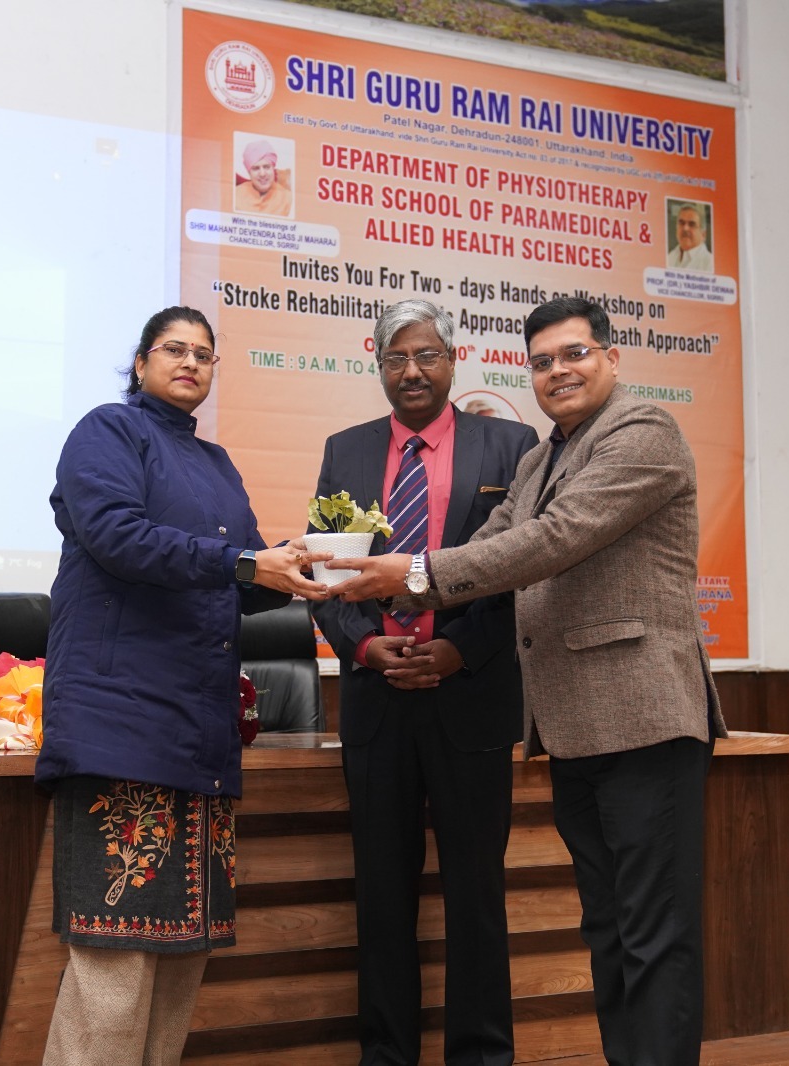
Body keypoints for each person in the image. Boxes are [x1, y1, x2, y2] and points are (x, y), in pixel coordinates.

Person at [321, 295, 726, 1066]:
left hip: (644, 718)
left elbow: (552, 540)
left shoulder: (643, 432)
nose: (557, 372)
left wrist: (411, 575)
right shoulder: (541, 461)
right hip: (573, 728)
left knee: (654, 933)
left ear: (612, 358)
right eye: (542, 362)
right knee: (608, 929)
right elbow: (493, 543)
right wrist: (371, 585)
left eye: (574, 354)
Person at [36, 306, 330, 1066]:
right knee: (116, 958)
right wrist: (245, 564)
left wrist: (300, 567)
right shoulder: (108, 430)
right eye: (175, 348)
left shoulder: (216, 463)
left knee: (181, 954)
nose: (192, 362)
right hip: (120, 726)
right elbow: (119, 538)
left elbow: (240, 578)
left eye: (205, 353)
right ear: (140, 363)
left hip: (199, 734)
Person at [309, 300, 537, 1066]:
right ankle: (386, 1054)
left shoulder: (510, 446)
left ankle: (481, 1056)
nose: (412, 371)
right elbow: (328, 573)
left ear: (453, 359)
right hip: (376, 703)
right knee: (382, 897)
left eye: (427, 355)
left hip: (471, 697)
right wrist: (364, 645)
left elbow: (523, 571)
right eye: (396, 358)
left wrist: (458, 651)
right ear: (377, 364)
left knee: (476, 896)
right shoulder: (345, 451)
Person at [232, 138, 293, 217]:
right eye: (256, 168)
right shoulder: (235, 194)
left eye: (266, 167)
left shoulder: (288, 199)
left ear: (273, 168)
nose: (262, 174)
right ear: (249, 172)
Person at [667, 203, 713, 272]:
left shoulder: (710, 263)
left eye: (692, 224)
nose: (685, 228)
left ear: (703, 235)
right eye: (681, 223)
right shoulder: (670, 256)